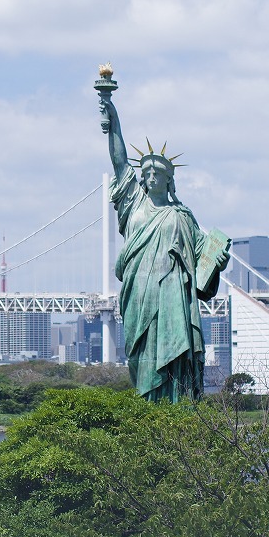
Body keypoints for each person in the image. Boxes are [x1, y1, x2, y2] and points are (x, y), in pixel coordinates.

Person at [98, 71, 230, 402]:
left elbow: (204, 256)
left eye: (159, 172)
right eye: (147, 172)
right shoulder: (133, 202)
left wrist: (219, 260)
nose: (152, 175)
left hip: (173, 297)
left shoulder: (183, 216)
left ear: (170, 181)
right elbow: (117, 161)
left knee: (177, 364)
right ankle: (149, 412)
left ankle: (178, 413)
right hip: (139, 294)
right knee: (142, 361)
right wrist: (111, 114)